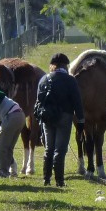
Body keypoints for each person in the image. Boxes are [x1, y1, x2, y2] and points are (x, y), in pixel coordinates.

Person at [34, 52, 85, 188]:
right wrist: (80, 121)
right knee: (60, 150)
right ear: (65, 65)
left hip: (46, 117)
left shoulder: (44, 79)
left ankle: (46, 179)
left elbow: (38, 101)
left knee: (48, 149)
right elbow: (77, 102)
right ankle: (60, 181)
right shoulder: (70, 80)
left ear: (53, 66)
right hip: (64, 116)